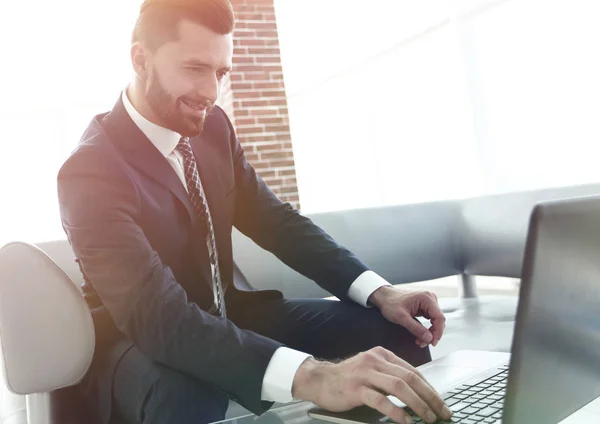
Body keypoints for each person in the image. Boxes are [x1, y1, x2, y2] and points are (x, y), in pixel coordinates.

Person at [57, 1, 452, 423]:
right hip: (138, 340)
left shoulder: (213, 128)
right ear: (141, 59)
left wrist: (379, 292)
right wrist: (315, 376)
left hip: (229, 314)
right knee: (186, 395)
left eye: (220, 72)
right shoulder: (91, 171)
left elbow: (277, 222)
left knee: (395, 335)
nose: (211, 92)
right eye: (194, 68)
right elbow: (158, 318)